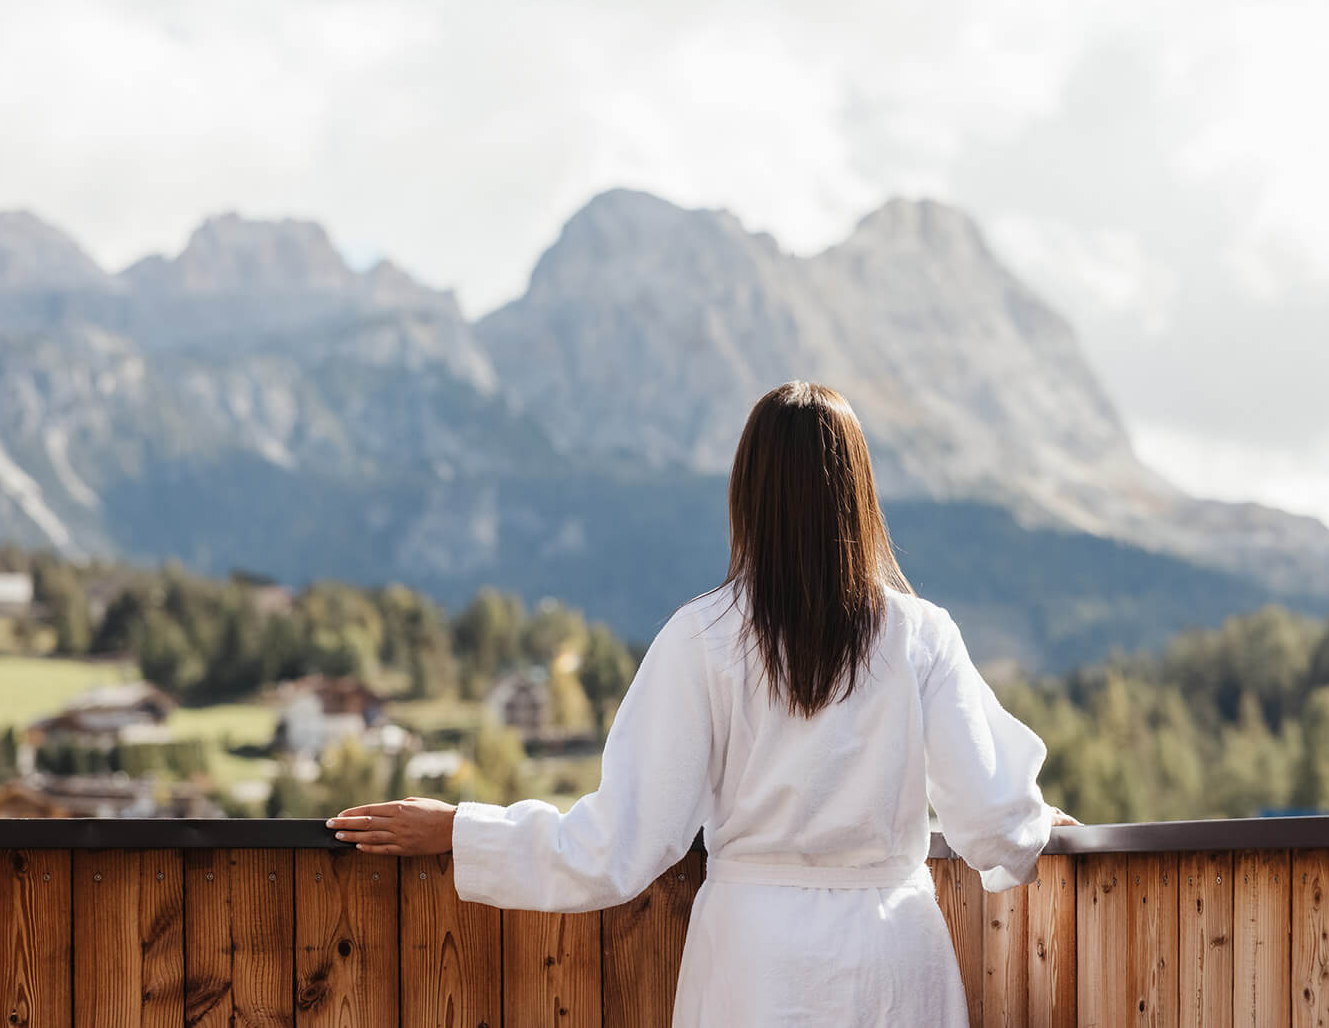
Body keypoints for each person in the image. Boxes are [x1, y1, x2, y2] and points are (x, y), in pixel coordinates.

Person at [328, 380, 1073, 1025]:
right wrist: (1033, 821)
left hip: (756, 969)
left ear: (747, 494)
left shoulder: (704, 639)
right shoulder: (920, 635)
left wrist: (463, 831)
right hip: (893, 962)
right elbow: (993, 823)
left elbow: (619, 843)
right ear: (860, 494)